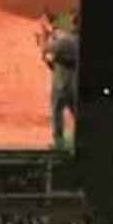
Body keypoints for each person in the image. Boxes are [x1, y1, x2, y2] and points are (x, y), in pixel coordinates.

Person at [39, 9, 79, 151]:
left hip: (62, 86)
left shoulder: (65, 42)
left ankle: (59, 145)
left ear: (74, 22)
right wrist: (52, 31)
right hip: (76, 86)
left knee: (57, 113)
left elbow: (46, 49)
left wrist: (44, 31)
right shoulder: (72, 41)